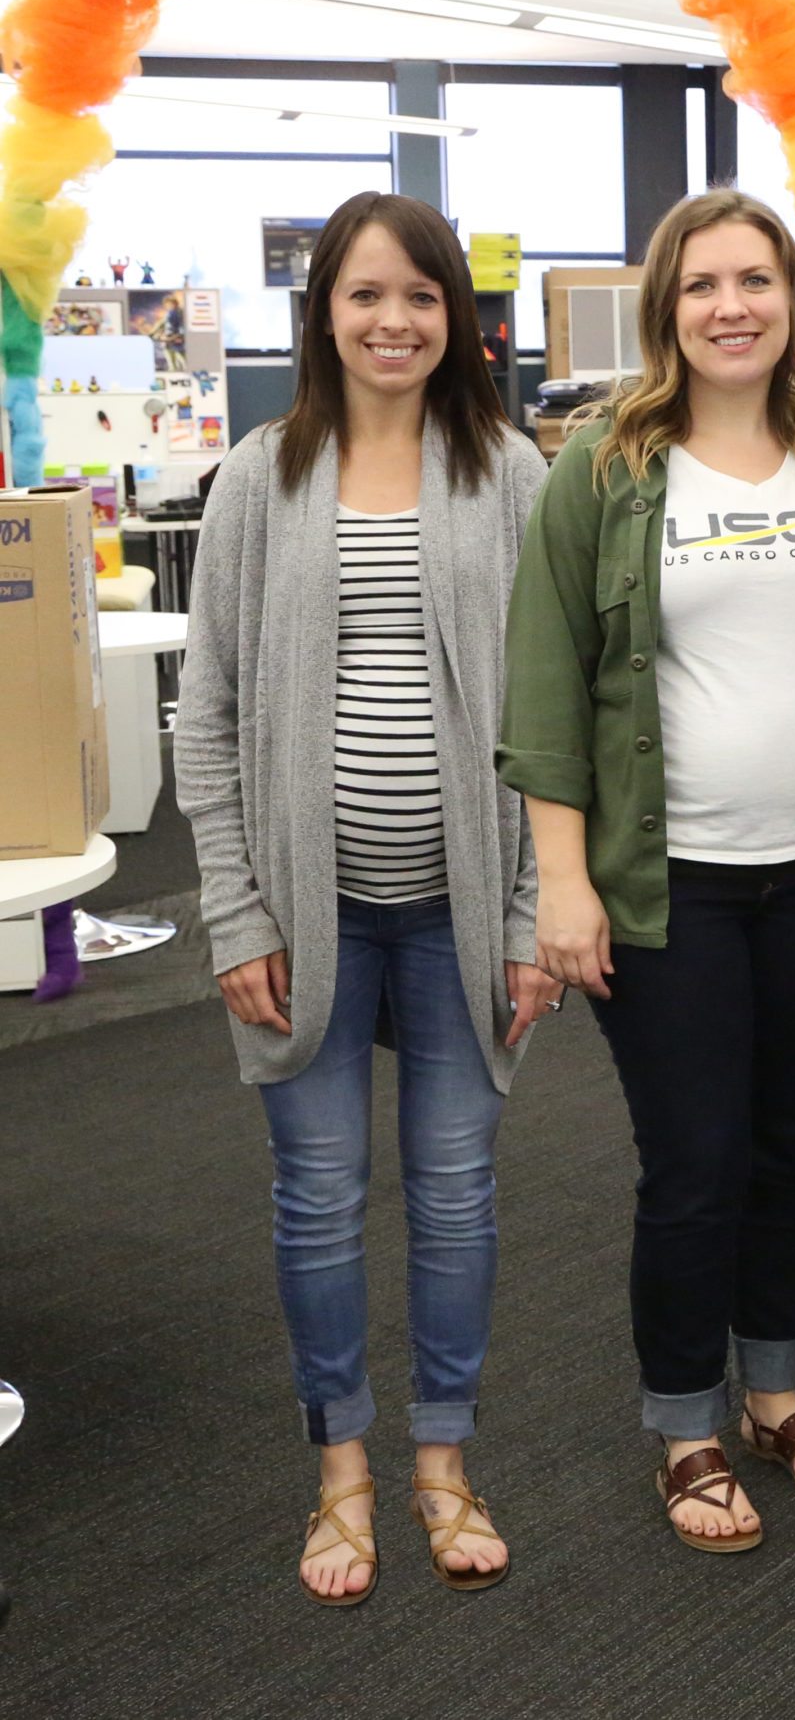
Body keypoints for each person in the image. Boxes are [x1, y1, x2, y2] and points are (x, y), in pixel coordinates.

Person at [497, 189, 795, 1556]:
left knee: (788, 1145)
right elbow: (548, 683)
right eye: (702, 285)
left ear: (794, 302)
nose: (731, 306)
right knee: (693, 1160)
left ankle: (776, 1391)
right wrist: (561, 881)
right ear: (666, 310)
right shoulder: (605, 469)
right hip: (667, 882)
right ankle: (686, 1421)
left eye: (755, 280)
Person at [175, 191, 554, 1604]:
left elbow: (556, 714)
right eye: (366, 295)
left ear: (457, 317)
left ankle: (442, 1460)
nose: (394, 321)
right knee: (320, 1199)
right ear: (323, 312)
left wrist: (529, 914)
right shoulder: (258, 478)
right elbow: (208, 713)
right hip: (301, 914)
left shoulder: (508, 473)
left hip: (464, 911)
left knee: (455, 1196)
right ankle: (341, 1466)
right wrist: (234, 911)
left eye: (421, 296)